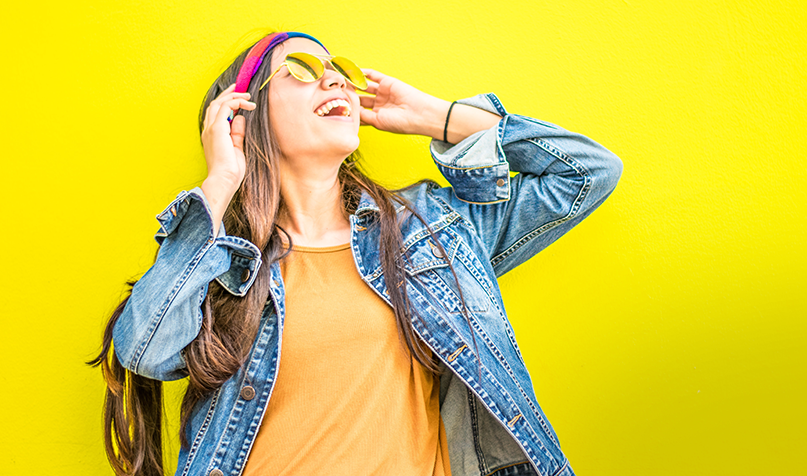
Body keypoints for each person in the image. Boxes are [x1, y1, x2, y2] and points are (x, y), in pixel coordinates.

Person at [89, 31, 623, 476]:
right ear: (241, 116)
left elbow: (588, 173)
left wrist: (434, 116)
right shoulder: (224, 262)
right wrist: (221, 180)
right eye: (299, 69)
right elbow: (144, 351)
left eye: (337, 69)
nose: (335, 78)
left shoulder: (432, 228)